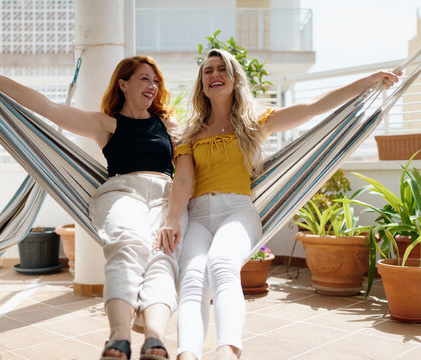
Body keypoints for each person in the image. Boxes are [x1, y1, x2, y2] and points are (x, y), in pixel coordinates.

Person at [155, 48, 400, 360]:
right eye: (207, 71)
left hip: (238, 211)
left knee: (221, 264)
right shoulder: (190, 134)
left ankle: (227, 350)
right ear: (201, 84)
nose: (214, 75)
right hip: (198, 215)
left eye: (221, 69)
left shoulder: (254, 123)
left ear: (233, 79)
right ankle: (187, 353)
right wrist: (172, 219)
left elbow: (313, 108)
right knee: (191, 276)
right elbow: (184, 182)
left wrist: (368, 82)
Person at [0, 56, 188, 360]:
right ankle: (120, 337)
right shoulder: (106, 124)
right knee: (126, 245)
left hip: (166, 197)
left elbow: (188, 163)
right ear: (123, 84)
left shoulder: (168, 123)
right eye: (144, 79)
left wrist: (176, 213)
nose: (152, 86)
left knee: (163, 256)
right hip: (123, 192)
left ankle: (155, 338)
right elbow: (48, 108)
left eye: (156, 81)